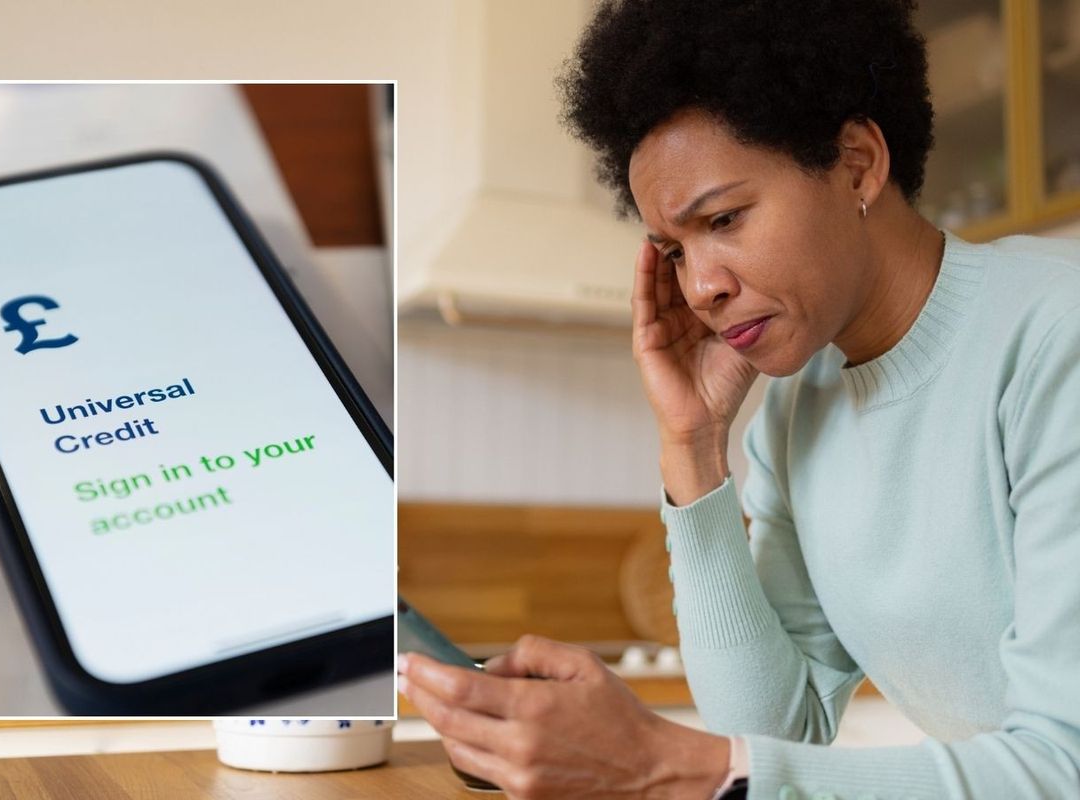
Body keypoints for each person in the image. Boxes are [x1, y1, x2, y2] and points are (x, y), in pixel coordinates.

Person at [398, 0, 1080, 797]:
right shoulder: (798, 414)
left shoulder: (1053, 338)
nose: (702, 286)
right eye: (674, 250)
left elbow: (1065, 766)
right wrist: (692, 446)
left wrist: (661, 764)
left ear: (858, 164)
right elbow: (770, 733)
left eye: (724, 218)